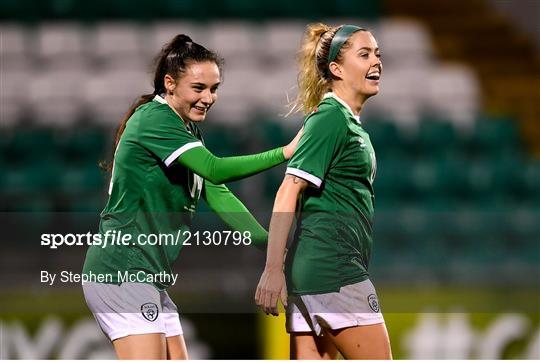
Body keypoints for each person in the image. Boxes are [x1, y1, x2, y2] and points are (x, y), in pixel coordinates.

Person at [82, 34, 301, 359]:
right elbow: (214, 169)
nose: (209, 97)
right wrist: (285, 152)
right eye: (198, 88)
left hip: (148, 277)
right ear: (169, 84)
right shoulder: (154, 120)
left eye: (214, 89)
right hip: (121, 271)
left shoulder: (184, 130)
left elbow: (219, 196)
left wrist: (275, 251)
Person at [255, 23, 392, 359]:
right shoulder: (331, 118)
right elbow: (288, 189)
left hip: (315, 270)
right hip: (335, 269)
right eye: (364, 54)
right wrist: (273, 268)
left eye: (377, 53)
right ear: (336, 68)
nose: (376, 61)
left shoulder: (342, 120)